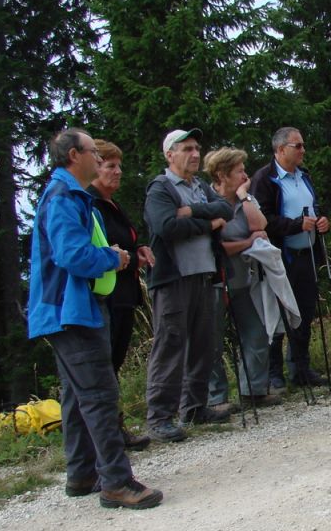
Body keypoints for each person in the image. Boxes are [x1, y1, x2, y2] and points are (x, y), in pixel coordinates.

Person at [28, 128, 162, 509]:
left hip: (68, 310)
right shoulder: (63, 197)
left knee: (76, 394)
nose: (101, 161)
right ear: (74, 155)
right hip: (71, 311)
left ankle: (82, 473)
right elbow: (72, 255)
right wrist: (113, 259)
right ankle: (117, 482)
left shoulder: (70, 196)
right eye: (93, 153)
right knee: (100, 394)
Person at [143, 128, 234, 442]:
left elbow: (227, 209)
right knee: (170, 347)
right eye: (187, 149)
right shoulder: (161, 188)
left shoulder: (199, 188)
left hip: (205, 275)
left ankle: (194, 408)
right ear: (170, 155)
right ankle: (159, 418)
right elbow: (166, 226)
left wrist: (193, 212)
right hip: (173, 280)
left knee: (203, 346)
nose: (195, 154)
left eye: (197, 148)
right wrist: (208, 224)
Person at [87, 140, 154, 451]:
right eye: (110, 166)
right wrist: (126, 257)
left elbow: (123, 242)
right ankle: (106, 434)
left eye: (119, 166)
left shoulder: (111, 204)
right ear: (94, 167)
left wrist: (136, 250)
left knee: (113, 363)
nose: (118, 172)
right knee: (104, 367)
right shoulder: (90, 204)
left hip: (124, 294)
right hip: (107, 296)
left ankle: (114, 429)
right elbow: (101, 250)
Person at [251, 127, 330, 388]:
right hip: (281, 256)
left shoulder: (304, 177)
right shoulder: (264, 179)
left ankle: (300, 367)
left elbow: (314, 208)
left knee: (305, 312)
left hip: (306, 252)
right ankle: (274, 372)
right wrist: (296, 225)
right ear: (281, 149)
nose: (303, 150)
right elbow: (262, 220)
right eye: (298, 146)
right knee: (278, 312)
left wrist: (320, 222)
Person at [204, 147, 283, 407]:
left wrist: (244, 197)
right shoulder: (207, 201)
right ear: (222, 174)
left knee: (257, 332)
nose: (244, 175)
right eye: (239, 171)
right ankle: (217, 398)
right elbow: (215, 246)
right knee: (213, 339)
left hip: (243, 280)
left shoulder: (243, 200)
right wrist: (248, 242)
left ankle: (253, 390)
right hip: (216, 279)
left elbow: (260, 225)